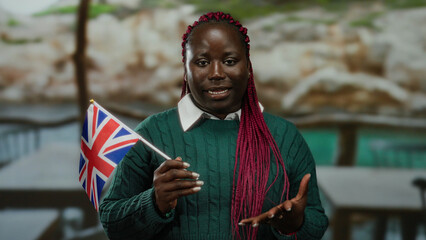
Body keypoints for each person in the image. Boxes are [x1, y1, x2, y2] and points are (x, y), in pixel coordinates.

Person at [99, 12, 328, 240]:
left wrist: (293, 225)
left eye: (229, 61)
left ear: (248, 68)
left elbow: (316, 222)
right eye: (202, 62)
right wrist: (155, 202)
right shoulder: (152, 133)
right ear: (186, 72)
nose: (216, 73)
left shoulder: (284, 136)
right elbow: (112, 223)